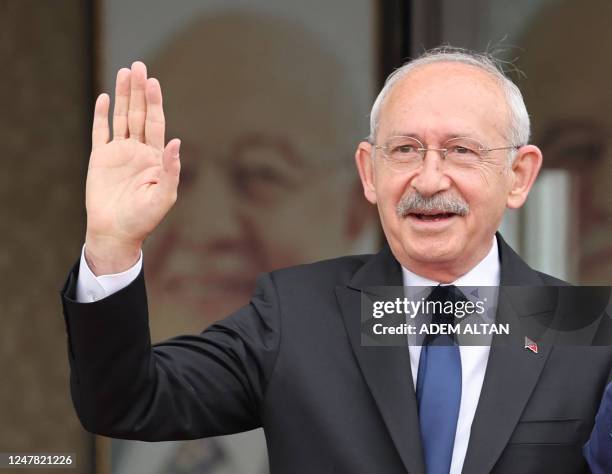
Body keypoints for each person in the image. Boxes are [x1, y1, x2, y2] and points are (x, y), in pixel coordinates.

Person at [61, 47, 612, 473]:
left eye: (461, 151)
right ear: (369, 174)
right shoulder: (295, 315)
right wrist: (112, 244)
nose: (428, 179)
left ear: (519, 176)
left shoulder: (586, 331)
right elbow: (127, 402)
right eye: (405, 150)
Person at [108, 13, 378, 473]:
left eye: (262, 173)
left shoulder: (404, 424)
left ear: (356, 203)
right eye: (176, 174)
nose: (208, 227)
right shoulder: (66, 403)